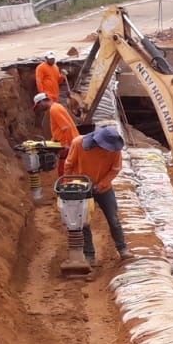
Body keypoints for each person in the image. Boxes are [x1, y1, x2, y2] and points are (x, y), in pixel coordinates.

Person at [63, 124, 133, 265]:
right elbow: (68, 165)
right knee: (84, 222)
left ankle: (122, 248)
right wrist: (70, 185)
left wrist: (101, 184)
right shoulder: (78, 143)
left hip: (103, 188)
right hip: (81, 188)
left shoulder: (114, 150)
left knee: (113, 218)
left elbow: (115, 169)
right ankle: (89, 255)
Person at [33, 92, 78, 175]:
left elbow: (66, 127)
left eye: (38, 106)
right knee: (66, 169)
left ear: (42, 102)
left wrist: (68, 145)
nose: (39, 108)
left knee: (64, 171)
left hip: (67, 144)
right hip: (67, 143)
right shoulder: (55, 107)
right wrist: (53, 140)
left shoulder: (54, 109)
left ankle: (65, 186)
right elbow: (60, 128)